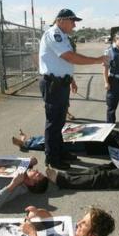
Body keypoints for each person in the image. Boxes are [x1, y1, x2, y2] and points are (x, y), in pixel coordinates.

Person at [39, 9, 107, 170]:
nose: (75, 25)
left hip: (60, 83)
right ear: (61, 20)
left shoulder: (62, 36)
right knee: (54, 123)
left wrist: (71, 79)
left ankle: (60, 151)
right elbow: (69, 57)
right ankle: (52, 157)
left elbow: (63, 63)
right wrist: (97, 60)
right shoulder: (54, 34)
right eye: (72, 21)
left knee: (60, 122)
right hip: (52, 84)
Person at [12, 126, 119, 154]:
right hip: (86, 135)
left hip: (86, 145)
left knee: (57, 143)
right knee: (57, 135)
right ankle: (30, 140)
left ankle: (26, 144)